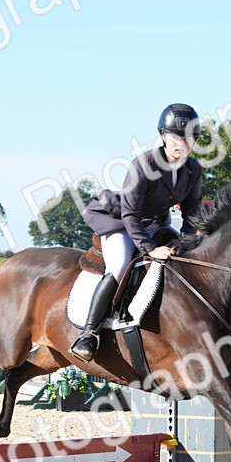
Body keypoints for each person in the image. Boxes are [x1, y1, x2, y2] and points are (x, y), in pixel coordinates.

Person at [71, 103, 204, 361]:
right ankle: (88, 333)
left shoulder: (193, 169)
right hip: (123, 223)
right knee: (120, 265)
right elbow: (131, 214)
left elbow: (192, 213)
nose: (181, 144)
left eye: (188, 138)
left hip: (157, 224)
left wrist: (186, 243)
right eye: (175, 138)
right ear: (163, 137)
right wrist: (151, 249)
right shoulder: (144, 164)